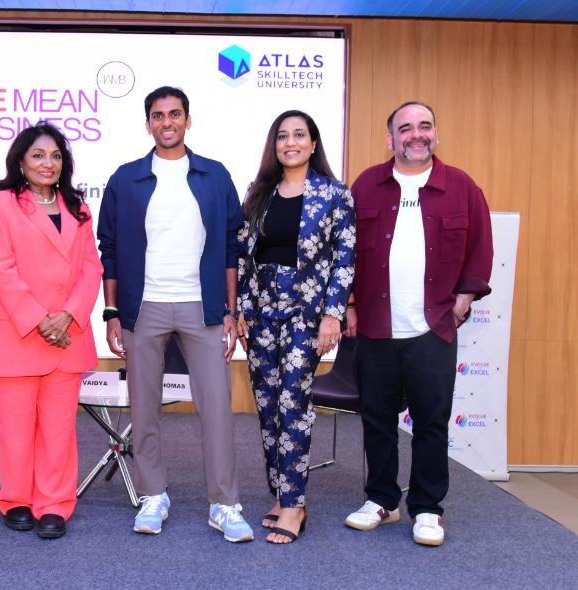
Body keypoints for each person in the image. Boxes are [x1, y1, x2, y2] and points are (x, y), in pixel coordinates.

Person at [98, 86, 254, 543]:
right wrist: (111, 312)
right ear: (148, 123)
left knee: (217, 408)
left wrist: (230, 310)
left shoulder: (214, 175)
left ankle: (224, 504)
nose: (167, 122)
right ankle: (153, 495)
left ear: (188, 119)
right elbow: (109, 248)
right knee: (144, 406)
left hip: (202, 307)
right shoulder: (126, 179)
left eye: (174, 114)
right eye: (158, 115)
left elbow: (230, 247)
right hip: (141, 307)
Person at [343, 101, 493, 546]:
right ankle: (382, 500)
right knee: (377, 419)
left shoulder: (461, 187)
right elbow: (345, 251)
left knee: (431, 422)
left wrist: (465, 296)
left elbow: (481, 247)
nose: (416, 134)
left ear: (435, 134)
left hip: (433, 327)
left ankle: (427, 508)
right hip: (377, 325)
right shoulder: (367, 185)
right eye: (405, 128)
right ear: (390, 138)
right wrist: (349, 303)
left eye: (424, 126)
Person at [236, 110, 355, 544]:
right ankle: (280, 493)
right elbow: (243, 257)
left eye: (299, 135)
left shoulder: (335, 194)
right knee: (267, 406)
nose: (291, 142)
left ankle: (295, 504)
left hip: (307, 314)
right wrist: (242, 308)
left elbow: (344, 259)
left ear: (313, 143)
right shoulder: (259, 192)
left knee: (293, 404)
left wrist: (333, 314)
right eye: (283, 136)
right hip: (262, 314)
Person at [0, 122, 102, 540]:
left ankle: (54, 504)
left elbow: (91, 268)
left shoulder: (78, 207)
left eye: (55, 156)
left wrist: (67, 315)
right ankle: (16, 498)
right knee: (15, 430)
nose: (47, 163)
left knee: (58, 430)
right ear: (20, 161)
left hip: (68, 335)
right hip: (18, 334)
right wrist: (40, 320)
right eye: (38, 155)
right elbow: (1, 268)